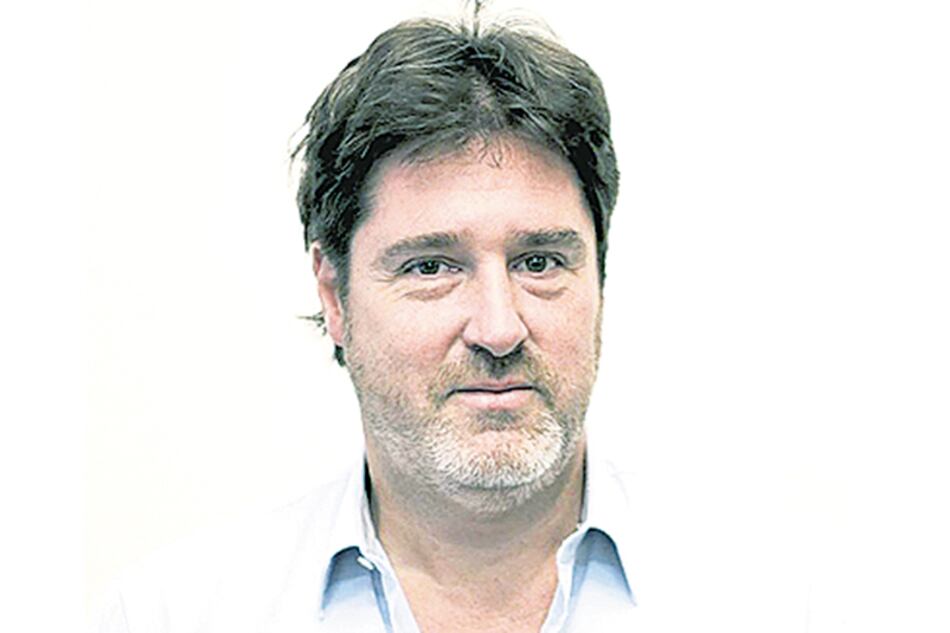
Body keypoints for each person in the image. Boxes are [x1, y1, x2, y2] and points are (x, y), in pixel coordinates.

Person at [95, 10, 634, 633]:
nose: (498, 329)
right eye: (431, 267)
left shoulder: (731, 587)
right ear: (334, 295)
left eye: (539, 262)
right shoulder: (177, 614)